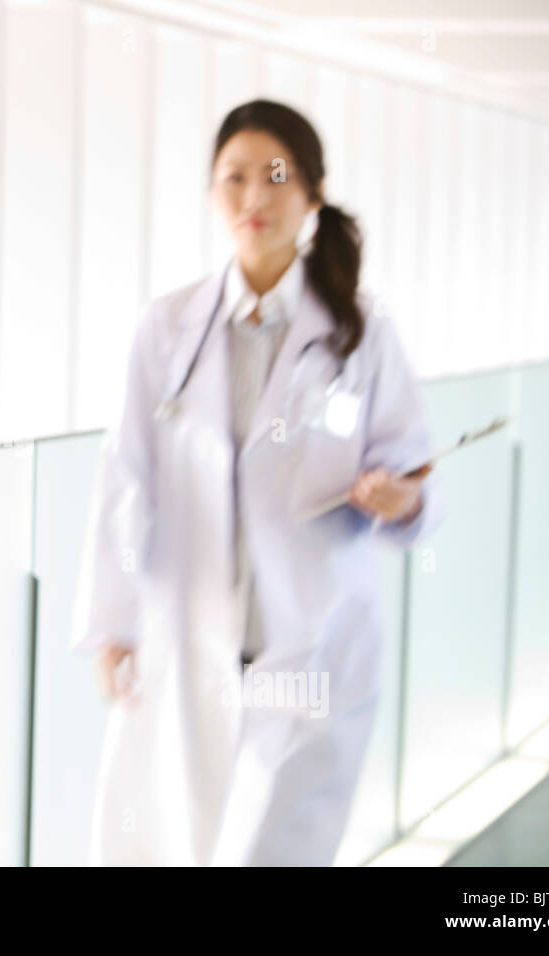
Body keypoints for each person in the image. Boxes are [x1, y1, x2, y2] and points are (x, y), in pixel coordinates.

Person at [69, 98, 446, 866]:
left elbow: (414, 469)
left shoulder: (360, 332)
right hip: (192, 643)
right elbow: (124, 477)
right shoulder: (167, 329)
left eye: (275, 177)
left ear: (311, 193)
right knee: (185, 841)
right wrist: (112, 623)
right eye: (233, 177)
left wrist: (402, 501)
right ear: (213, 194)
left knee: (269, 850)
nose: (253, 197)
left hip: (308, 649)